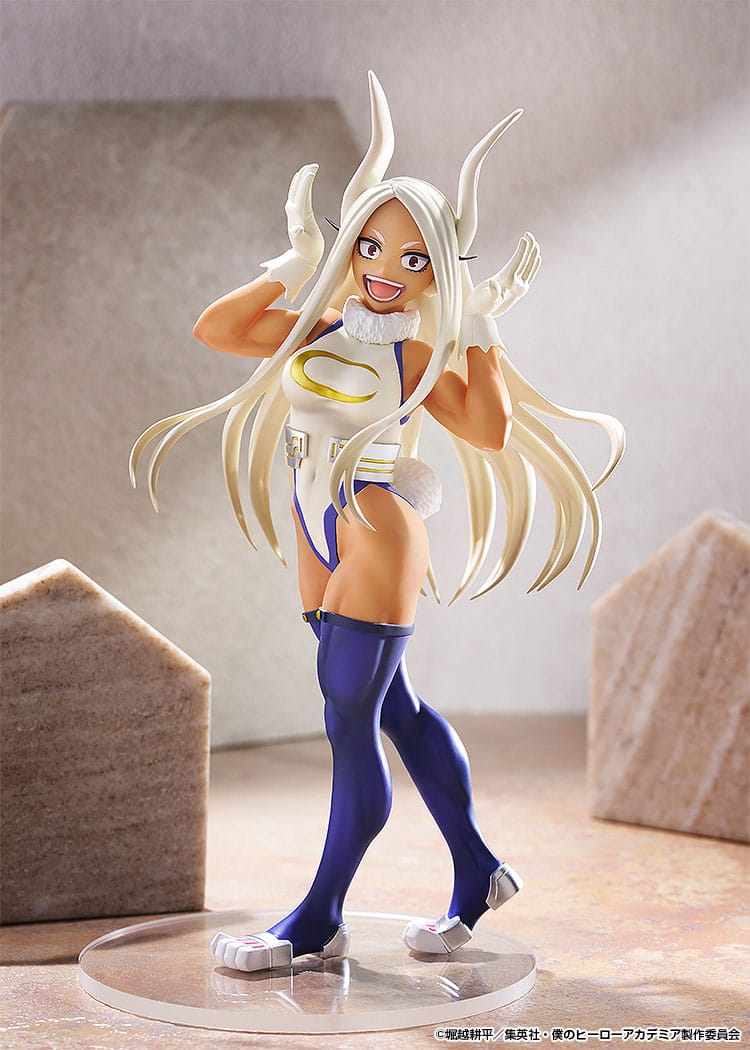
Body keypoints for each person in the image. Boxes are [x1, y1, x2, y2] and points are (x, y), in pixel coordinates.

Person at [130, 73, 625, 972]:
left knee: (347, 721)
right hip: (312, 527)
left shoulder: (416, 348)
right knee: (394, 706)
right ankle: (478, 871)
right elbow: (216, 328)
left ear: (439, 270)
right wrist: (294, 266)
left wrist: (481, 327)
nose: (386, 269)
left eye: (414, 259)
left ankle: (318, 919)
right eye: (369, 246)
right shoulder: (319, 322)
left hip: (375, 527)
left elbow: (489, 430)